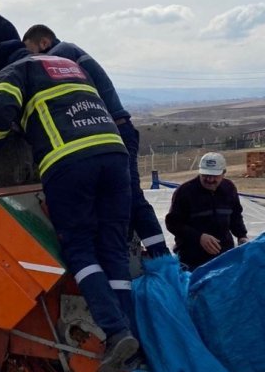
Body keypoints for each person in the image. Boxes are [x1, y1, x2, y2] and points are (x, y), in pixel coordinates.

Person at [0, 39, 138, 372]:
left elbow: (0, 108)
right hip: (114, 154)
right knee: (113, 249)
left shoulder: (14, 70)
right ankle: (133, 337)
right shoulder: (69, 68)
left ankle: (115, 332)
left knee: (79, 249)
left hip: (70, 161)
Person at [22, 24, 169, 258]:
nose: (32, 60)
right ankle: (137, 253)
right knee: (119, 199)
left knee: (130, 196)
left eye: (31, 52)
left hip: (114, 133)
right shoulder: (73, 53)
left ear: (43, 43)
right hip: (115, 133)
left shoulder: (61, 54)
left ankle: (161, 259)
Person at [165, 152, 248, 270]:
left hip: (223, 255)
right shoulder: (185, 192)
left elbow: (235, 216)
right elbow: (173, 223)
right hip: (192, 259)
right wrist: (199, 237)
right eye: (205, 175)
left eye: (214, 176)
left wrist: (241, 236)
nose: (209, 179)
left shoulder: (229, 188)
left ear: (223, 173)